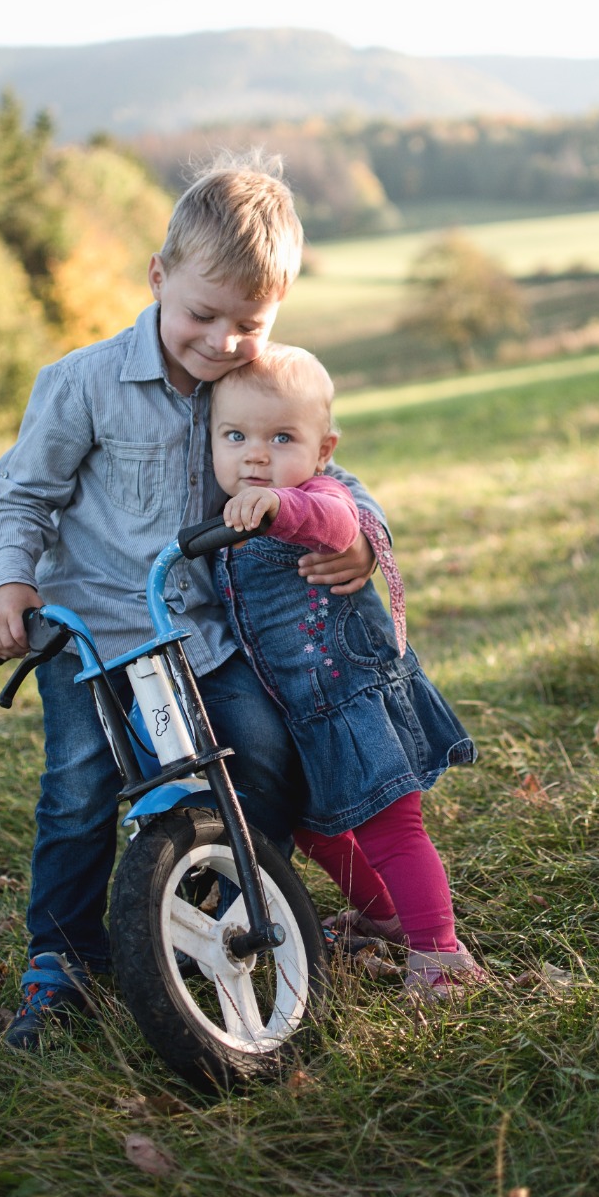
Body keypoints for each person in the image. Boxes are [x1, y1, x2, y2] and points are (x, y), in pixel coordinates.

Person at [0, 159, 386, 1048]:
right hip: (90, 637)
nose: (221, 339)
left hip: (203, 633)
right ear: (158, 277)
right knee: (79, 790)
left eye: (249, 322)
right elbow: (23, 498)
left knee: (264, 755)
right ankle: (60, 959)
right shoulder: (83, 383)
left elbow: (324, 473)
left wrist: (360, 537)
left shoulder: (250, 384)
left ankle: (215, 902)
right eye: (203, 313)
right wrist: (8, 581)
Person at [210, 343, 484, 998]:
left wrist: (281, 508)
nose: (256, 456)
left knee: (392, 828)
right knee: (314, 830)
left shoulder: (314, 494)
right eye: (235, 436)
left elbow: (337, 523)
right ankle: (383, 915)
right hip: (300, 712)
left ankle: (439, 954)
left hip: (355, 698)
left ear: (323, 449)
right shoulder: (223, 513)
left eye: (281, 438)